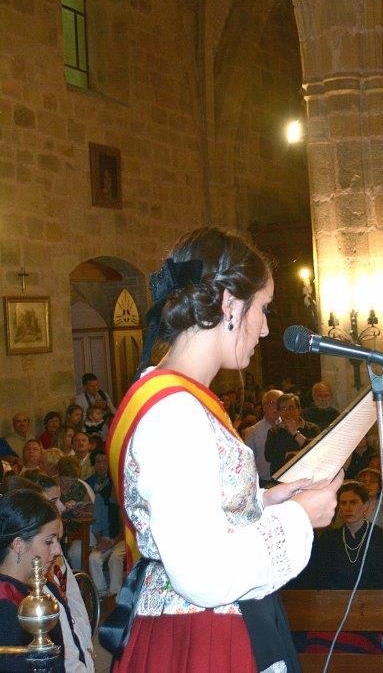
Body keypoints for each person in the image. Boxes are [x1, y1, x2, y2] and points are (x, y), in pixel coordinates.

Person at [110, 227, 341, 671]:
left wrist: (264, 500)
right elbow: (203, 572)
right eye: (263, 308)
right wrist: (299, 517)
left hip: (199, 626)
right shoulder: (174, 412)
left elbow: (187, 511)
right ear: (230, 304)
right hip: (200, 637)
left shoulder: (178, 397)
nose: (266, 328)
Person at [0, 487, 94, 672]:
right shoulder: (6, 608)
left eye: (58, 541)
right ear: (18, 544)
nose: (57, 551)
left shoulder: (38, 587)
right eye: (49, 541)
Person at [289, 481, 383, 654]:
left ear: (365, 505)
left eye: (353, 502)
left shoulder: (380, 537)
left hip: (368, 611)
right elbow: (317, 576)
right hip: (333, 609)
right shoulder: (329, 539)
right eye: (343, 503)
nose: (348, 508)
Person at [85, 450, 126, 599]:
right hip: (107, 538)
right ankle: (101, 594)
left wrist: (113, 542)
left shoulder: (126, 496)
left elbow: (125, 529)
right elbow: (96, 524)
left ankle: (115, 594)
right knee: (93, 558)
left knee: (115, 557)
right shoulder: (101, 496)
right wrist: (101, 540)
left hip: (124, 539)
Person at [264, 393, 321, 475]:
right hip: (283, 477)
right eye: (283, 409)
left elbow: (317, 451)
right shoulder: (274, 432)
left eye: (291, 408)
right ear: (279, 412)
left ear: (299, 409)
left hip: (308, 474)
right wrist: (291, 455)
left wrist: (295, 432)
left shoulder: (313, 428)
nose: (288, 412)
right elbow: (269, 456)